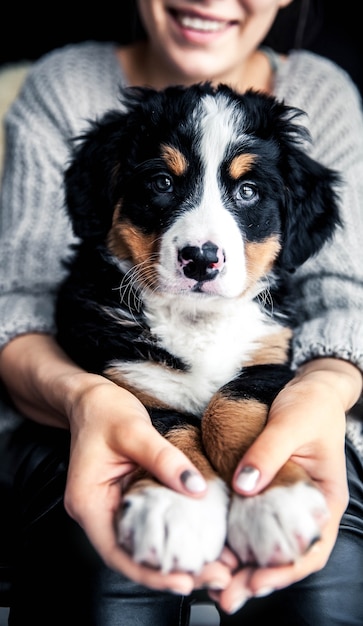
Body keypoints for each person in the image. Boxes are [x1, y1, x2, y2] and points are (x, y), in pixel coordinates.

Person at [0, 0, 363, 624]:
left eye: (246, 189)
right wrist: (89, 400)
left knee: (321, 580)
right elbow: (19, 305)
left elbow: (342, 300)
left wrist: (325, 391)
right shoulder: (64, 89)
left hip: (287, 405)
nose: (203, 241)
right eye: (163, 183)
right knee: (104, 575)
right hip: (73, 412)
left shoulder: (322, 92)